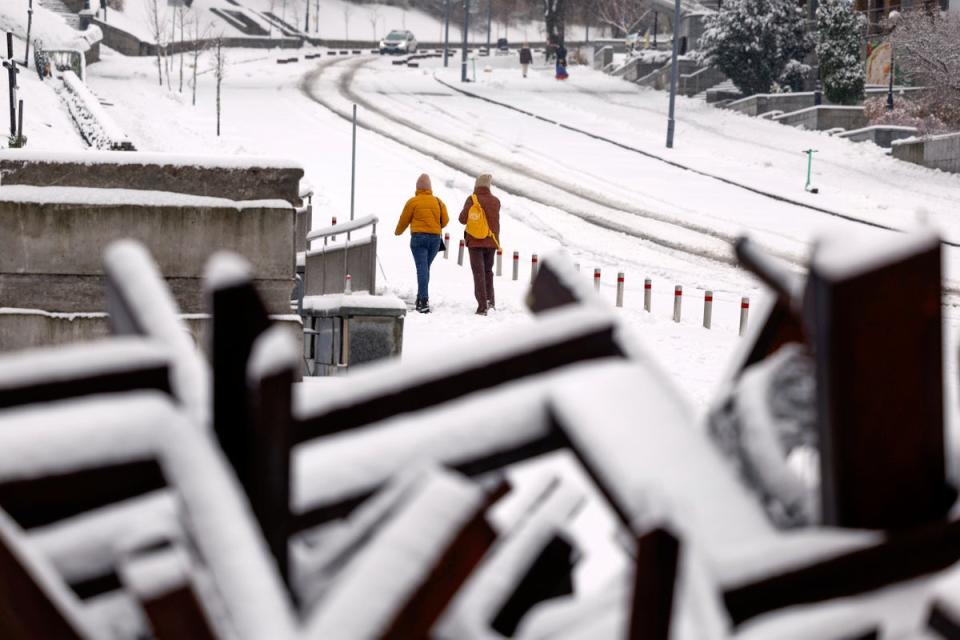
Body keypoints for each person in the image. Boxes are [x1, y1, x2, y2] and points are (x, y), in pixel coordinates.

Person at [395, 173, 448, 313]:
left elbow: (404, 220)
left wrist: (398, 232)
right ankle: (420, 298)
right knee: (425, 268)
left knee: (422, 269)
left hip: (419, 240)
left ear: (417, 188)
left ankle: (424, 301)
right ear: (430, 188)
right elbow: (446, 220)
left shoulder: (413, 202)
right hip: (435, 240)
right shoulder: (438, 201)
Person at [459, 174, 501, 315]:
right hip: (492, 242)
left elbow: (462, 219)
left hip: (475, 242)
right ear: (489, 186)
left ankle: (482, 306)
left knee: (478, 273)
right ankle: (491, 302)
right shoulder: (496, 201)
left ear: (476, 185)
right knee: (488, 272)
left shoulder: (472, 199)